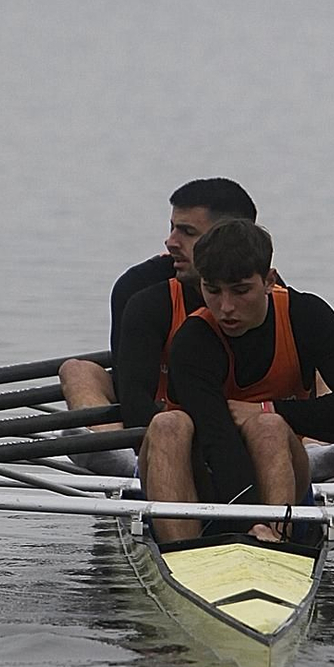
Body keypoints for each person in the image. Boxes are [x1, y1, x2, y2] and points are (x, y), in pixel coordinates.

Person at [141, 218, 334, 545]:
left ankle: (272, 545)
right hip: (195, 482)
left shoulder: (306, 315)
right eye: (212, 290)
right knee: (167, 425)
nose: (225, 307)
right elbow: (217, 438)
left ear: (269, 281)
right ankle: (182, 553)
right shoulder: (194, 340)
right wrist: (248, 522)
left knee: (268, 425)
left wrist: (267, 408)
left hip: (278, 482)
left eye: (241, 290)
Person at [58, 178, 260, 476]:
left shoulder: (264, 292)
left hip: (247, 423)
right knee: (78, 371)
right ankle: (122, 458)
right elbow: (132, 395)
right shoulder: (139, 289)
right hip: (160, 421)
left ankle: (315, 453)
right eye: (172, 228)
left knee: (318, 375)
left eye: (187, 232)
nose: (170, 242)